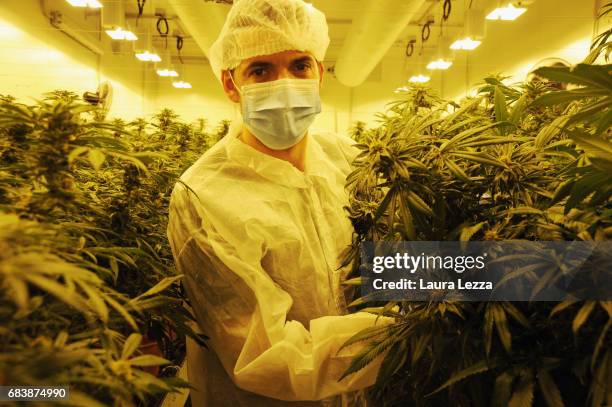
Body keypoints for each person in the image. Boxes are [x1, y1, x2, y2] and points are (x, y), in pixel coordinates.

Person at [166, 0, 392, 405]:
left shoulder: (353, 160)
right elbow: (266, 357)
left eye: (299, 65)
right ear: (231, 84)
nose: (284, 82)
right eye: (261, 70)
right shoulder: (203, 196)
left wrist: (502, 273)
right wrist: (409, 331)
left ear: (319, 73)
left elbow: (390, 262)